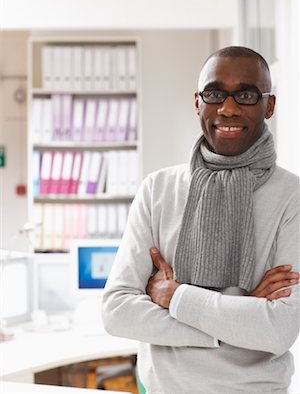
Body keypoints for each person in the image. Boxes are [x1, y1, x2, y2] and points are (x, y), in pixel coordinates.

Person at [102, 46, 299, 394]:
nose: (228, 108)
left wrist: (175, 296)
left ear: (269, 105)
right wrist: (240, 313)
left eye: (247, 95)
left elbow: (279, 330)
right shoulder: (158, 189)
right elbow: (117, 310)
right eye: (215, 93)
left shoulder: (291, 196)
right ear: (198, 102)